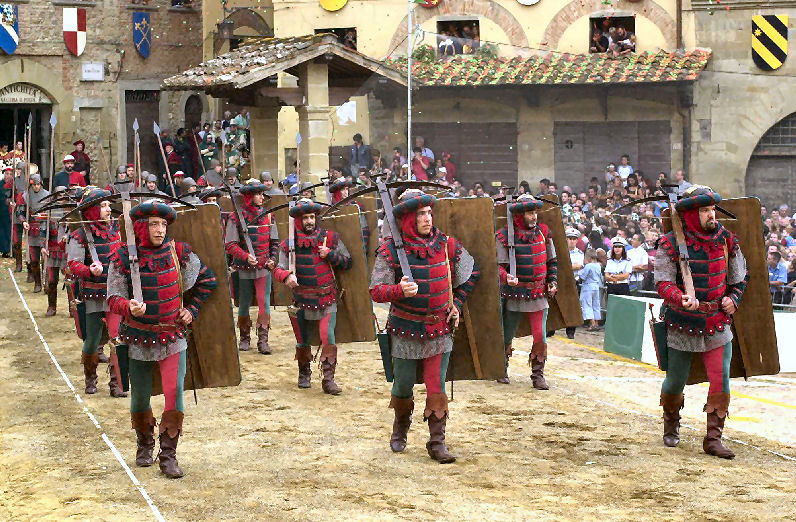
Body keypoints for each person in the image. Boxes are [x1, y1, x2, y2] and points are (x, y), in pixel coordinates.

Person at [107, 200, 218, 478]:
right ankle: (144, 443)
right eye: (154, 224)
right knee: (140, 397)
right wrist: (128, 307)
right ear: (142, 227)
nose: (160, 230)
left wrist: (191, 310)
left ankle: (168, 454)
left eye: (164, 224)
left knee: (173, 394)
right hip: (138, 337)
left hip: (172, 336)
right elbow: (113, 297)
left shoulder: (179, 252)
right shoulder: (122, 256)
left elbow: (208, 281)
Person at [369, 189, 480, 463]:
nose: (428, 219)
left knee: (436, 385)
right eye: (421, 214)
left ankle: (436, 442)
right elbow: (376, 290)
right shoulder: (390, 251)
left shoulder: (446, 244)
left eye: (429, 213)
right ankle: (400, 427)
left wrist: (457, 303)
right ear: (408, 218)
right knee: (403, 386)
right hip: (405, 329)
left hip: (439, 329)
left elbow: (472, 273)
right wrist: (398, 290)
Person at [655, 185, 748, 459]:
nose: (712, 215)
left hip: (717, 322)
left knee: (721, 380)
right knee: (675, 382)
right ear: (693, 214)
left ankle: (713, 438)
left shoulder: (727, 240)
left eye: (712, 209)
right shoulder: (670, 244)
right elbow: (661, 282)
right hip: (683, 322)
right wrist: (679, 297)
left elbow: (741, 277)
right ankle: (671, 423)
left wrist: (735, 298)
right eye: (705, 210)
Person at [272, 198, 352, 394]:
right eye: (305, 218)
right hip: (301, 299)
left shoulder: (330, 238)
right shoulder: (288, 245)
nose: (309, 221)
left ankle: (328, 378)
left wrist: (330, 254)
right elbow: (277, 269)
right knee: (302, 340)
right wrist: (286, 276)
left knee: (328, 337)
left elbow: (347, 262)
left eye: (312, 217)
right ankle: (304, 373)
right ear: (298, 221)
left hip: (326, 297)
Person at [66, 188, 125, 396]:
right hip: (93, 294)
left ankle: (117, 383)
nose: (109, 209)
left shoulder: (116, 229)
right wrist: (89, 270)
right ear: (92, 209)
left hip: (115, 293)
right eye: (103, 205)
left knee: (117, 337)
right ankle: (90, 379)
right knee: (92, 340)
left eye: (108, 205)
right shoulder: (80, 234)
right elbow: (73, 263)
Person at [496, 194, 558, 388]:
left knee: (540, 335)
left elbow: (551, 261)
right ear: (520, 215)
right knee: (507, 334)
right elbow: (497, 266)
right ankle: (502, 367)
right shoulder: (505, 236)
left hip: (538, 293)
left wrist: (552, 281)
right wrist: (506, 277)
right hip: (515, 293)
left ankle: (538, 374)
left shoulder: (543, 234)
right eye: (529, 213)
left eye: (535, 212)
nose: (534, 217)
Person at [225, 179, 279, 354]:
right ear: (249, 196)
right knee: (244, 304)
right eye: (258, 194)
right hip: (244, 269)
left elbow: (274, 242)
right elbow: (230, 244)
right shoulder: (235, 217)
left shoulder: (269, 215)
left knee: (264, 304)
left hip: (263, 268)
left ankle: (263, 340)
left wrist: (272, 259)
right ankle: (244, 337)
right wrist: (245, 256)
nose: (262, 197)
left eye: (262, 194)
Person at [16, 173, 49, 292]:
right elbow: (20, 212)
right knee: (34, 259)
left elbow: (52, 213)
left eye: (38, 184)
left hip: (45, 229)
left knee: (45, 259)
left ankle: (47, 283)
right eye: (34, 184)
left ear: (41, 184)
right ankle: (38, 283)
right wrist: (24, 221)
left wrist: (46, 216)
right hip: (31, 229)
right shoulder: (25, 196)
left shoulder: (48, 195)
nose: (36, 187)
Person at [42, 187, 69, 316]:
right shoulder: (50, 209)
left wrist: (68, 236)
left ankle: (72, 308)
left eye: (63, 195)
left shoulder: (72, 210)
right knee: (52, 281)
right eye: (59, 195)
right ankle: (52, 306)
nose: (61, 197)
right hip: (52, 249)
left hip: (67, 251)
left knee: (70, 281)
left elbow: (76, 229)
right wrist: (43, 245)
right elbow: (43, 229)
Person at [564, 228, 584, 339]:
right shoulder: (561, 251)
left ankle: (570, 331)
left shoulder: (580, 253)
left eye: (574, 239)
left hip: (573, 281)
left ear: (577, 241)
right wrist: (570, 266)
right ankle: (551, 330)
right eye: (570, 238)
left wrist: (567, 267)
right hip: (561, 281)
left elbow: (579, 266)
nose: (571, 241)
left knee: (572, 307)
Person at [579, 250, 603, 330]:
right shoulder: (598, 265)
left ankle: (592, 323)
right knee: (596, 304)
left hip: (588, 286)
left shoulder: (588, 266)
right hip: (596, 286)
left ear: (588, 257)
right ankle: (596, 323)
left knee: (587, 305)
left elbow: (583, 277)